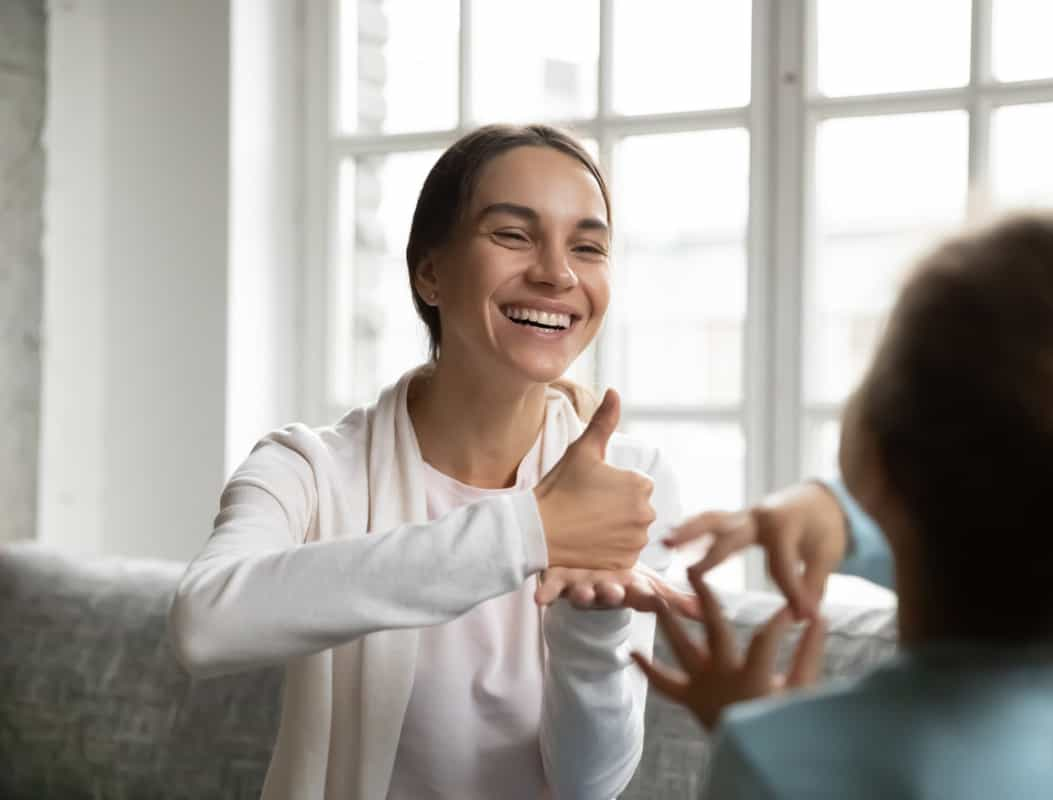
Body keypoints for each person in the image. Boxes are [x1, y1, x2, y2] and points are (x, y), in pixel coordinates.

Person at [169, 124, 696, 800]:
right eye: (513, 234)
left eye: (587, 247)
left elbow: (589, 783)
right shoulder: (308, 470)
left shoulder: (624, 481)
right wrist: (528, 532)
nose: (557, 273)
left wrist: (592, 634)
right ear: (430, 270)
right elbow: (205, 622)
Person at [638, 213, 1053, 799]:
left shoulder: (777, 758)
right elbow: (1012, 538)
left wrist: (750, 726)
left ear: (876, 455)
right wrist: (846, 518)